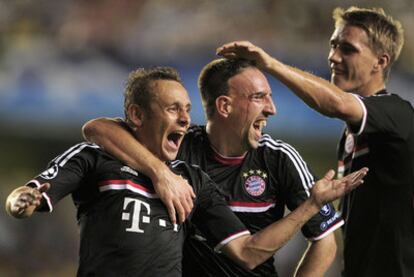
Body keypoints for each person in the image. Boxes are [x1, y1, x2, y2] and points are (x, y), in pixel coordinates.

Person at [6, 66, 367, 276]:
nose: (271, 108)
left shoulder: (268, 162)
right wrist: (160, 174)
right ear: (224, 106)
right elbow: (96, 129)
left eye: (187, 108)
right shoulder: (170, 155)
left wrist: (310, 205)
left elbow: (265, 250)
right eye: (259, 98)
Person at [216, 6, 413, 277]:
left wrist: (270, 64)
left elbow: (335, 103)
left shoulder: (396, 113)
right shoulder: (352, 135)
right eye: (333, 45)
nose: (333, 56)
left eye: (348, 49)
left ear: (380, 62)